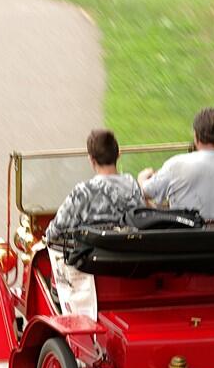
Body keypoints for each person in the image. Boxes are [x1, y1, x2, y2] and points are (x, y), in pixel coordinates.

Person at [45, 129, 143, 318]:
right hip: (128, 268)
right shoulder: (132, 186)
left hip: (91, 274)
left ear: (91, 159)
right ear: (118, 154)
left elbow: (53, 233)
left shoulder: (83, 192)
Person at [138, 107, 214, 218]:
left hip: (186, 236)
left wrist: (141, 179)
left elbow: (142, 193)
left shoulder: (177, 165)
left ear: (196, 136)